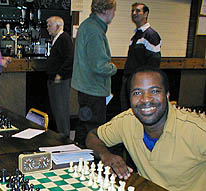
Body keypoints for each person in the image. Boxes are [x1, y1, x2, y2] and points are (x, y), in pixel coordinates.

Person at [86, 67, 206, 191]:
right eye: (137, 93)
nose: (146, 99)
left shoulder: (197, 129)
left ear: (167, 95)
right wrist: (106, 155)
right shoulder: (127, 120)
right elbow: (92, 137)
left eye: (154, 91)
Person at [71, 0, 117, 147]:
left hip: (86, 88)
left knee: (84, 127)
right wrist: (113, 68)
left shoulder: (88, 25)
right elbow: (99, 66)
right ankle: (90, 164)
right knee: (94, 131)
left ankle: (79, 160)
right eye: (114, 10)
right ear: (106, 10)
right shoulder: (95, 30)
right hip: (94, 89)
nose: (114, 14)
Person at [120, 2, 161, 111]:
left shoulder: (151, 35)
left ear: (146, 14)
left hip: (139, 84)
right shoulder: (136, 36)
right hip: (130, 80)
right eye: (132, 11)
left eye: (138, 11)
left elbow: (154, 63)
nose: (134, 13)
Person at [46, 16, 74, 137]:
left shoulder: (64, 38)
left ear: (58, 26)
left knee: (61, 109)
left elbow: (70, 58)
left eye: (49, 25)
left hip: (60, 80)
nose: (47, 28)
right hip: (55, 79)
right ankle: (61, 134)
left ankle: (64, 137)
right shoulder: (58, 39)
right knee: (57, 109)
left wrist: (60, 74)